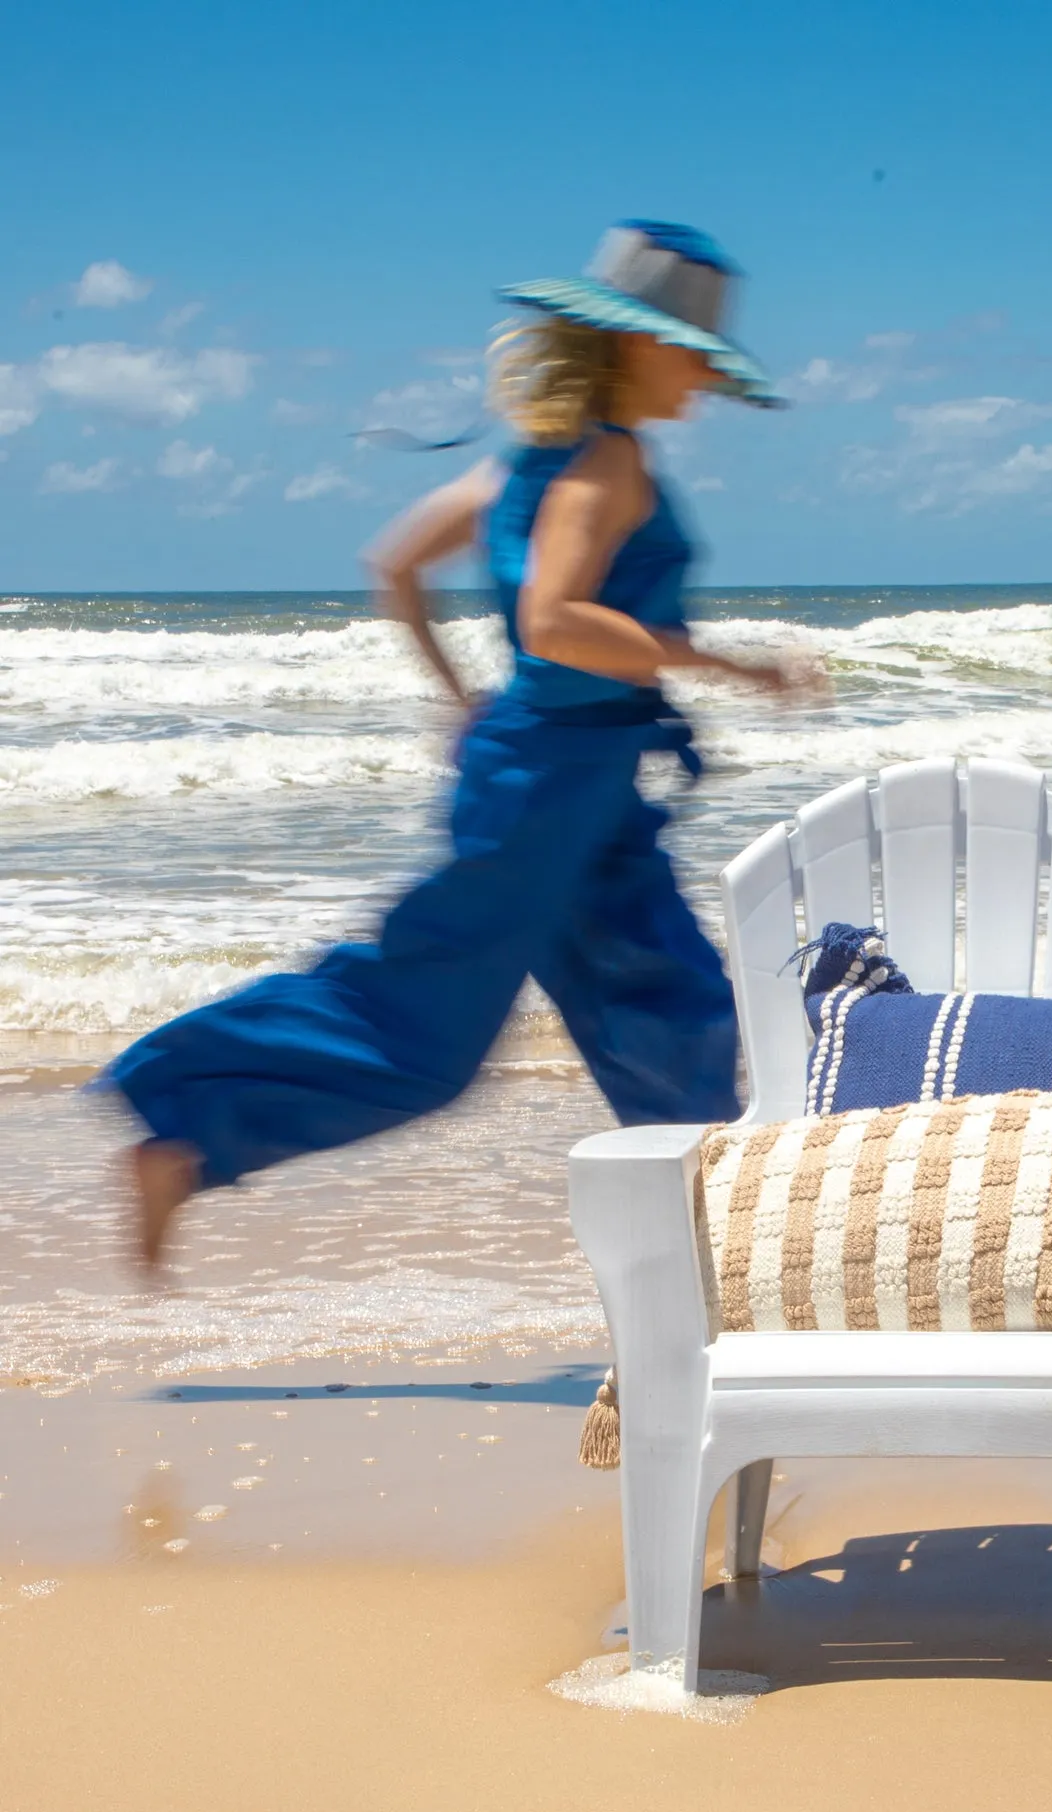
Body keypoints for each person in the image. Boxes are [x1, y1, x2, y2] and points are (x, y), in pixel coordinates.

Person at [103, 219, 810, 1266]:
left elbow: (393, 563)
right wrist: (725, 663)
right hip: (545, 790)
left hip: (575, 780)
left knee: (671, 1006)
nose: (702, 379)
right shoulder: (605, 463)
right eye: (692, 353)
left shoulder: (520, 465)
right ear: (631, 343)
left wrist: (461, 700)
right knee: (424, 1028)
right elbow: (555, 621)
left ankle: (720, 1260)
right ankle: (183, 1127)